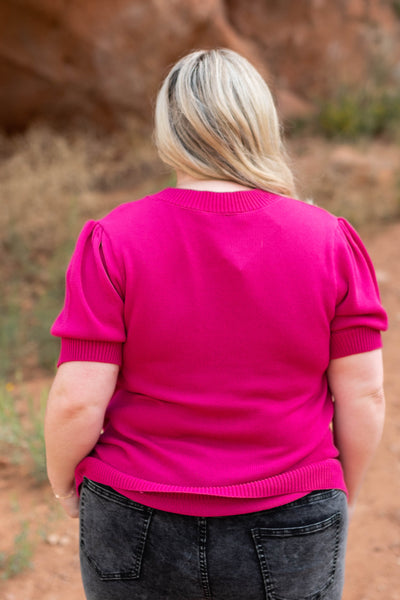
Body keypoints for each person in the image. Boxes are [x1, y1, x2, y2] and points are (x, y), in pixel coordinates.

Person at [45, 48, 388, 600]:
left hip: (133, 512)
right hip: (290, 511)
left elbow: (77, 400)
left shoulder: (112, 238)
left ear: (169, 129)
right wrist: (341, 491)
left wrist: (64, 482)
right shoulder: (331, 241)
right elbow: (366, 395)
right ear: (260, 124)